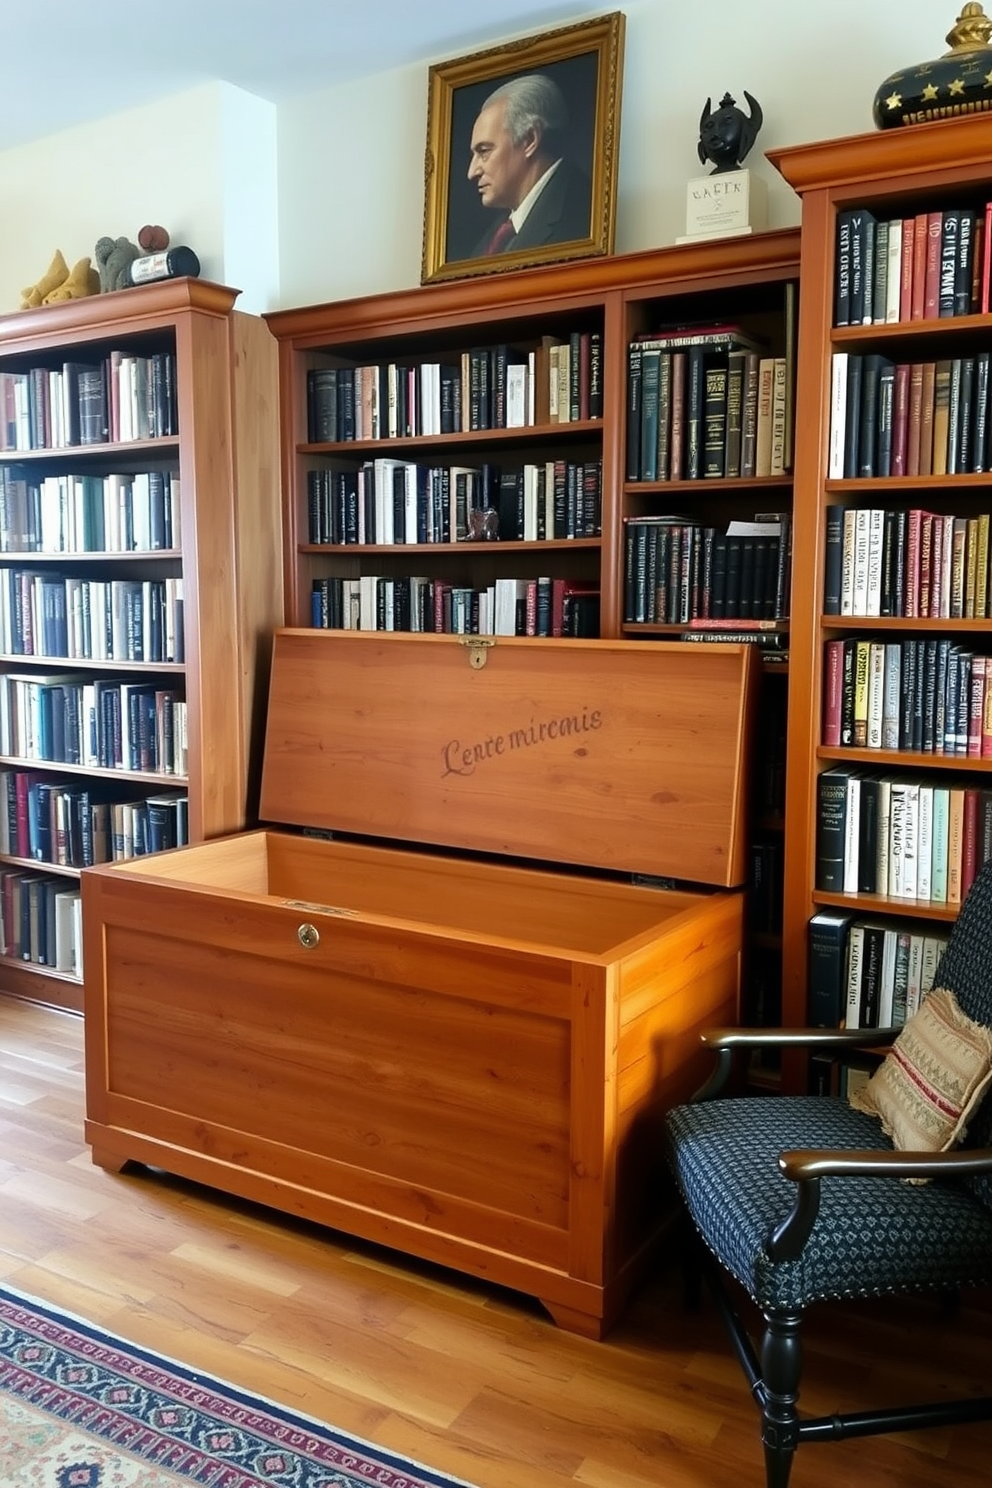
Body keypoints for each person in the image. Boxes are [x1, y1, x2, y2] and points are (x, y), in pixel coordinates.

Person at [466, 72, 592, 257]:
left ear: (529, 140)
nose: (471, 172)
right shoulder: (498, 233)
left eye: (484, 151)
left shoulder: (581, 217)